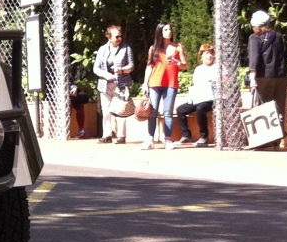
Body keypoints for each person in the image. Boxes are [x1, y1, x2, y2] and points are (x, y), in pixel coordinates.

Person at [141, 22, 187, 150]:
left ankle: (168, 139)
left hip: (171, 83)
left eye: (170, 29)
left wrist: (177, 62)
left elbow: (185, 65)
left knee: (168, 112)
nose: (169, 31)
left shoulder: (178, 47)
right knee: (153, 112)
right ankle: (150, 139)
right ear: (160, 32)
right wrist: (145, 84)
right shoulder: (153, 48)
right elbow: (149, 66)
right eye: (166, 29)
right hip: (155, 82)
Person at [247, 10, 287, 148]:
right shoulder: (278, 36)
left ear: (257, 25)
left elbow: (254, 58)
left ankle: (262, 139)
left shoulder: (254, 38)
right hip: (281, 77)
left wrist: (252, 78)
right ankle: (277, 138)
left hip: (264, 77)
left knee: (263, 108)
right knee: (278, 107)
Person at [93, 24, 134, 143]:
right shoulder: (102, 49)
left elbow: (131, 66)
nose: (119, 39)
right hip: (105, 84)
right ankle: (107, 135)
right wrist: (106, 75)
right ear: (109, 37)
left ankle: (121, 136)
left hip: (121, 83)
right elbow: (96, 69)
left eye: (120, 36)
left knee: (121, 109)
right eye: (116, 36)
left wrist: (122, 70)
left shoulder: (126, 48)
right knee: (106, 110)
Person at [176, 43, 218, 146]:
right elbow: (197, 85)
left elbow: (226, 80)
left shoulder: (218, 67)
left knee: (200, 109)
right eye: (207, 53)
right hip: (200, 97)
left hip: (212, 98)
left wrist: (215, 80)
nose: (209, 56)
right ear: (201, 56)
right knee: (180, 110)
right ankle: (186, 136)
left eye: (211, 53)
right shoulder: (198, 69)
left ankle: (204, 137)